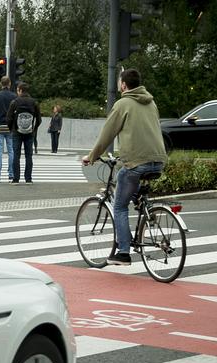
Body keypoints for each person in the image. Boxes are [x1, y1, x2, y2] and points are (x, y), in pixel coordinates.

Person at [82, 69, 167, 266]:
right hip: (158, 160)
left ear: (123, 85)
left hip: (136, 162)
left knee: (119, 206)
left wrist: (92, 156)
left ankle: (123, 252)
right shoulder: (151, 102)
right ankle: (143, 206)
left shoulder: (123, 104)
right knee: (132, 187)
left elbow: (107, 134)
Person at [6, 82, 41, 184]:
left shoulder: (15, 102)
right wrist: (34, 129)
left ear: (20, 90)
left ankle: (16, 178)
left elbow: (8, 118)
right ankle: (28, 179)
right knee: (28, 156)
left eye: (17, 90)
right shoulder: (34, 103)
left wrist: (12, 128)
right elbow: (39, 119)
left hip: (17, 132)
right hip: (29, 133)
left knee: (16, 155)